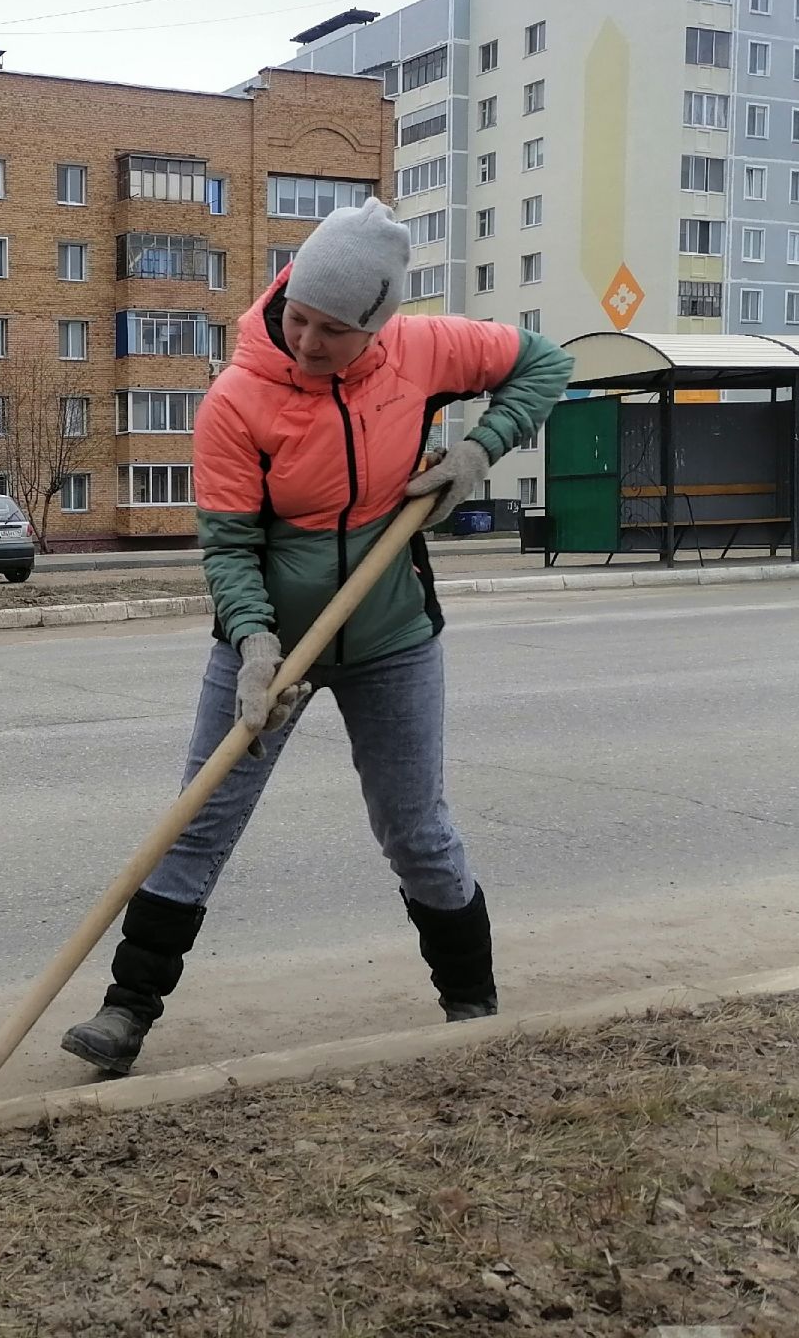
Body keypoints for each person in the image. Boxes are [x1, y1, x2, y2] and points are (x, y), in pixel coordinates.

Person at [62, 197, 572, 1076]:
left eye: (332, 331)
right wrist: (255, 646)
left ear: (375, 324)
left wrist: (480, 449)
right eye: (299, 316)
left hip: (392, 637)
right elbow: (227, 545)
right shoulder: (239, 397)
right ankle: (125, 1011)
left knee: (418, 831)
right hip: (266, 644)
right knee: (199, 820)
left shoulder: (425, 351)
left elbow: (544, 364)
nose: (307, 341)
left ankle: (472, 1003)